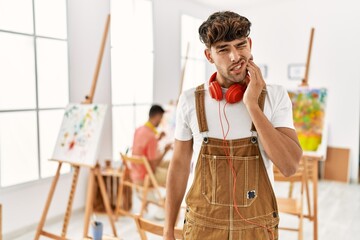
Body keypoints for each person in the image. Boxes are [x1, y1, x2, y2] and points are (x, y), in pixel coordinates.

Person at [164, 11, 302, 240]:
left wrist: (253, 106)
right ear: (209, 56)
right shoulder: (190, 101)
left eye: (240, 45)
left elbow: (289, 166)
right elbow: (178, 166)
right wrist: (168, 229)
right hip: (202, 230)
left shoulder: (275, 96)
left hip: (256, 230)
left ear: (250, 44)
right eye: (224, 49)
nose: (235, 56)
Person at [130, 104, 172, 186]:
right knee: (174, 174)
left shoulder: (139, 130)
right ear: (157, 116)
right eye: (161, 118)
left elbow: (143, 145)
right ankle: (166, 199)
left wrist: (158, 139)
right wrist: (165, 151)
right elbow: (153, 167)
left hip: (136, 172)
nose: (161, 121)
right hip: (145, 176)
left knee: (171, 163)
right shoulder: (151, 136)